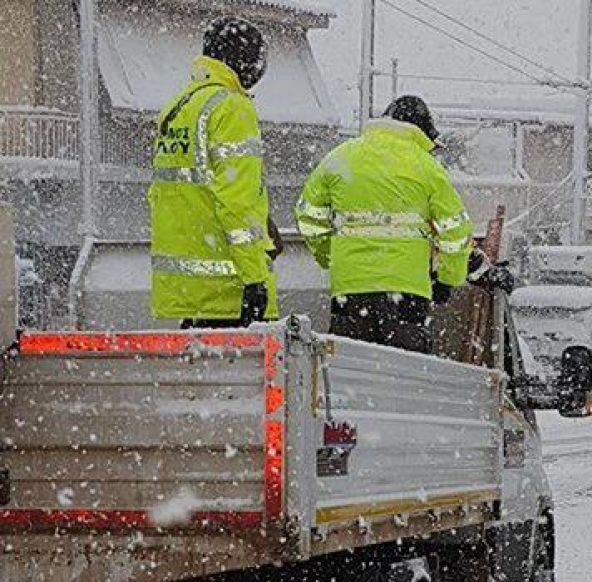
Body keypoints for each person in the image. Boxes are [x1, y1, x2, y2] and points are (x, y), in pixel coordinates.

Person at [294, 95, 473, 353]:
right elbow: (455, 231)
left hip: (351, 290)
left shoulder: (341, 158)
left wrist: (329, 257)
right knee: (403, 379)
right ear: (421, 131)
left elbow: (308, 215)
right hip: (408, 295)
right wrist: (447, 280)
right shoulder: (426, 166)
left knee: (349, 376)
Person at [149, 17, 281, 328]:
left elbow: (170, 194)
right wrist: (255, 278)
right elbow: (235, 201)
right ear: (244, 60)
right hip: (229, 292)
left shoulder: (179, 106)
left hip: (188, 293)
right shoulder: (232, 108)